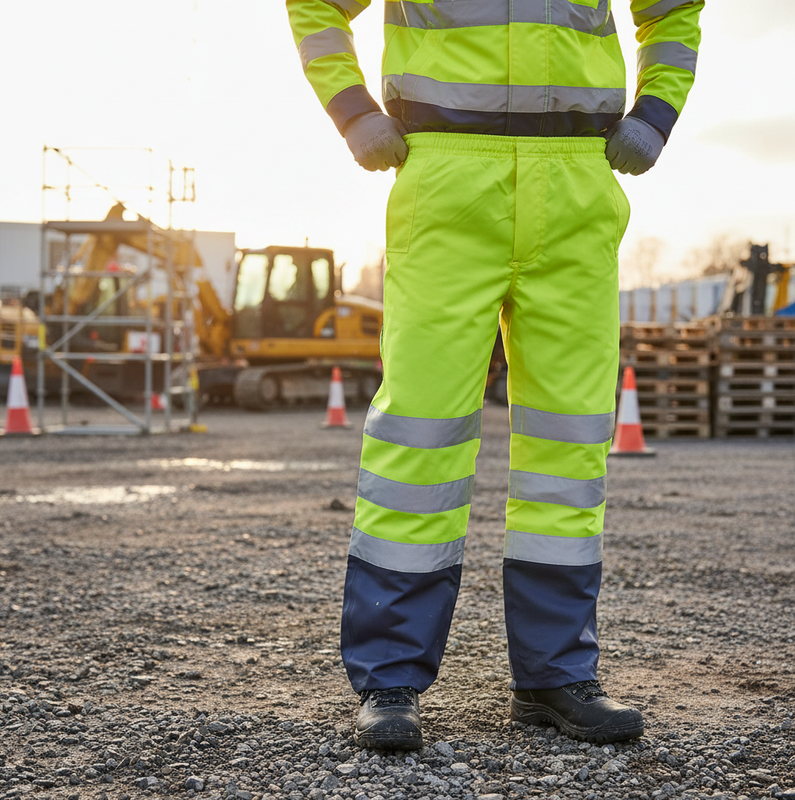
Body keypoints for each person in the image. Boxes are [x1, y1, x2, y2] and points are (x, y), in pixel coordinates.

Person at [287, 0, 703, 750]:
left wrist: (655, 116)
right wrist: (353, 114)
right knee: (419, 436)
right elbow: (315, 5)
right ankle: (390, 678)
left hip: (576, 187)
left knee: (567, 444)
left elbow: (674, 12)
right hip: (447, 182)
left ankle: (554, 675)